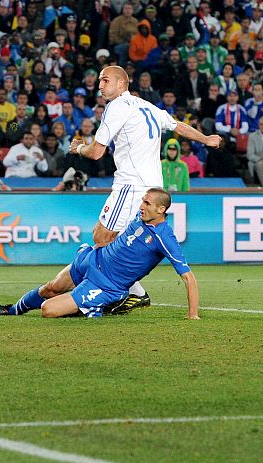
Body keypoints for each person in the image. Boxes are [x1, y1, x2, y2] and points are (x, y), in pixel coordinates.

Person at [70, 66, 221, 311]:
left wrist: (78, 148)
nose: (100, 86)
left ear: (121, 84)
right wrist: (206, 139)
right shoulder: (148, 106)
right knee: (121, 241)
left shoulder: (117, 107)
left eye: (105, 81)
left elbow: (97, 152)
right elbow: (177, 126)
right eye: (99, 81)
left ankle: (126, 292)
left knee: (101, 237)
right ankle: (130, 290)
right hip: (152, 188)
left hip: (131, 186)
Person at [0, 189, 199, 320]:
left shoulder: (165, 238)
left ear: (161, 210)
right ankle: (12, 310)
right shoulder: (140, 217)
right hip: (93, 259)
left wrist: (193, 314)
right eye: (142, 201)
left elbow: (188, 277)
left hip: (106, 284)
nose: (141, 206)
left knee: (48, 309)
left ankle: (99, 304)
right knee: (51, 288)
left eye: (147, 203)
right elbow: (126, 239)